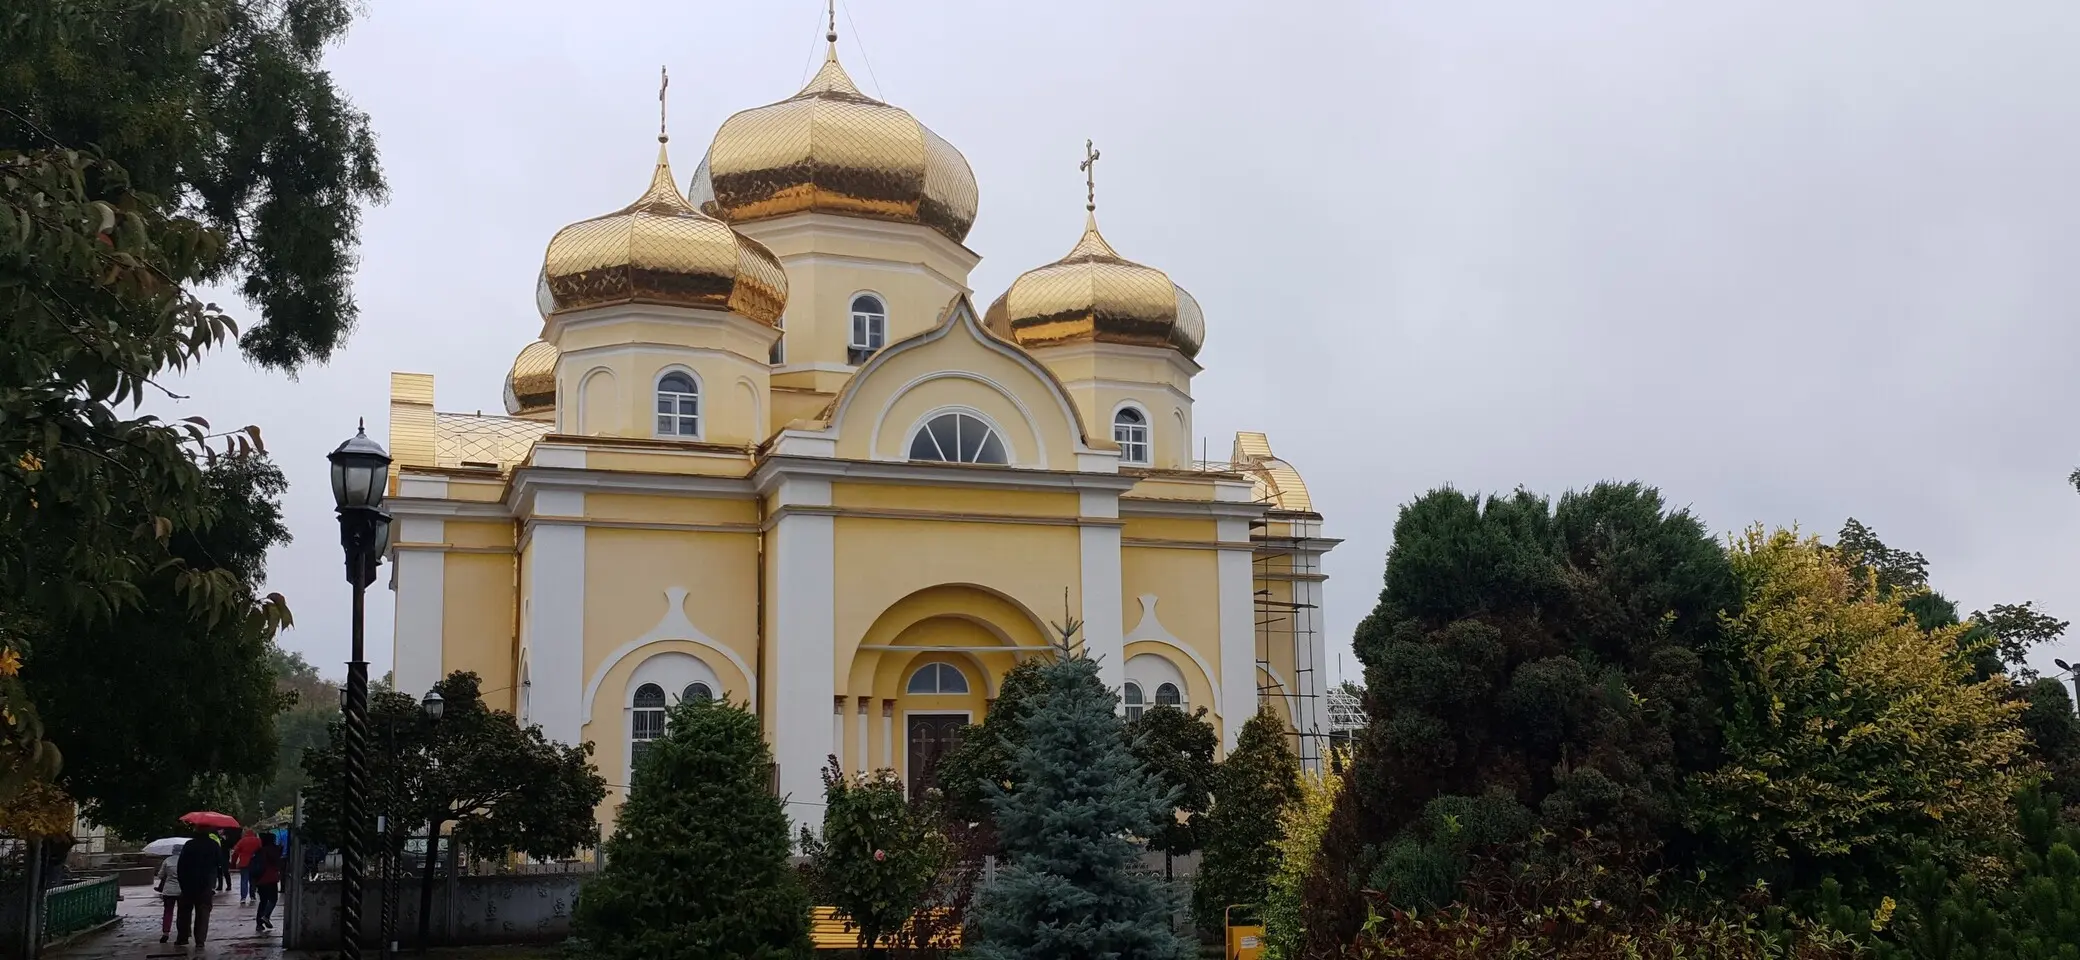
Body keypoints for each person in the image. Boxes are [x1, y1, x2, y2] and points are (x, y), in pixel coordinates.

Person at [174, 828, 225, 947]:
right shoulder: (213, 845)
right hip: (206, 884)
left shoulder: (189, 845)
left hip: (188, 883)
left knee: (184, 912)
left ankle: (183, 937)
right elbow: (220, 863)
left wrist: (182, 882)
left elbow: (181, 864)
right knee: (203, 912)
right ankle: (200, 940)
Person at [253, 833, 284, 933]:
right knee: (273, 899)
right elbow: (277, 861)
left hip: (260, 879)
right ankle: (266, 916)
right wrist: (280, 848)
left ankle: (259, 924)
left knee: (263, 901)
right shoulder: (274, 850)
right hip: (271, 878)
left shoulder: (260, 850)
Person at [153, 849, 182, 944]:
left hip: (168, 890)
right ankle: (181, 933)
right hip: (181, 890)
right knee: (182, 913)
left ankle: (166, 933)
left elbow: (160, 875)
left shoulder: (167, 860)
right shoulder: (185, 860)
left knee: (168, 912)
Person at [231, 829, 261, 905]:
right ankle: (252, 896)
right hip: (254, 862)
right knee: (253, 880)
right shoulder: (258, 840)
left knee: (244, 880)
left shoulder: (242, 841)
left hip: (244, 862)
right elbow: (261, 850)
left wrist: (233, 863)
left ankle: (243, 897)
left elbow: (236, 850)